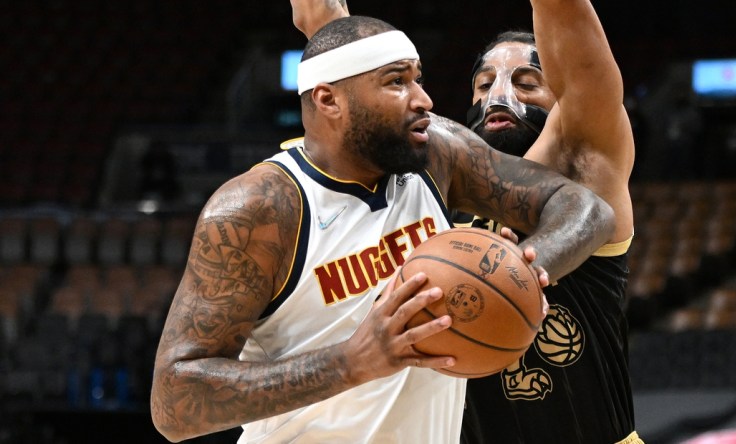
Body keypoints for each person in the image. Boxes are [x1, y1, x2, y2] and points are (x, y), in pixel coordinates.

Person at [150, 14, 615, 444]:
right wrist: (351, 361)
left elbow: (585, 208)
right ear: (329, 100)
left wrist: (523, 269)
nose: (423, 100)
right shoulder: (260, 210)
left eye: (419, 78)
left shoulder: (438, 153)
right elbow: (174, 404)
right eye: (397, 82)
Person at [292, 1, 640, 443]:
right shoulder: (432, 177)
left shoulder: (580, 162)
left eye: (528, 83)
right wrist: (323, 19)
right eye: (483, 83)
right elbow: (366, 93)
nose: (499, 95)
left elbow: (580, 62)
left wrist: (524, 268)